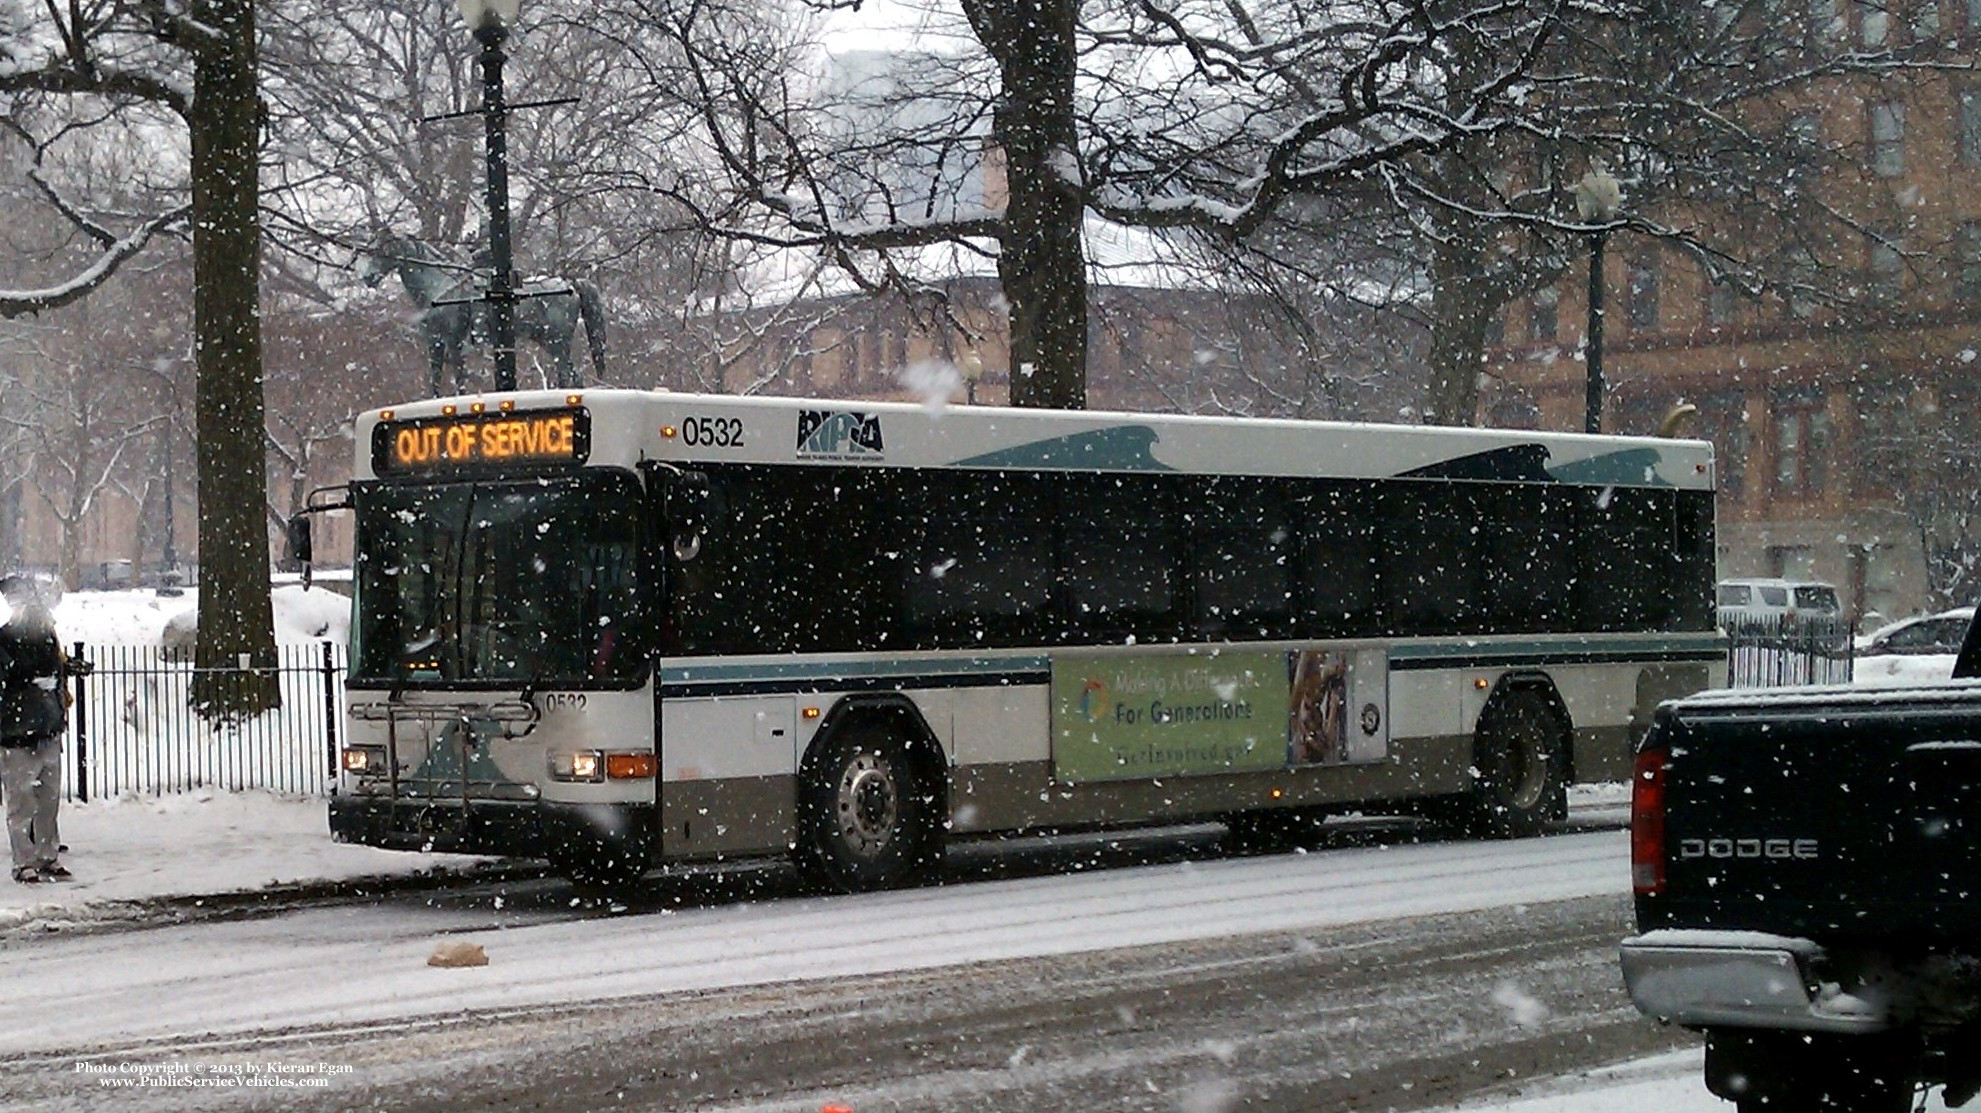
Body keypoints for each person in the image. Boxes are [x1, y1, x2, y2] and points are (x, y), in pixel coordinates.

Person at [0, 574, 70, 883]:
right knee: (21, 801)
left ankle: (47, 855)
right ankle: (24, 861)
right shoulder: (5, 640)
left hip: (46, 728)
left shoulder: (46, 638)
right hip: (17, 734)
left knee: (48, 799)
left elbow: (56, 674)